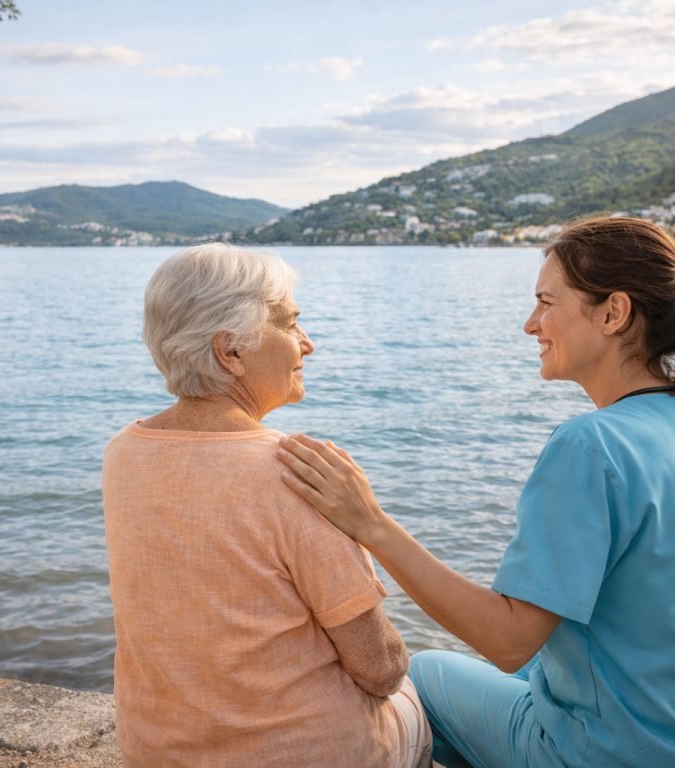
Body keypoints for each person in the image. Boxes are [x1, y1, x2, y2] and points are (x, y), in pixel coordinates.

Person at [277, 216, 675, 767]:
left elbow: (509, 641)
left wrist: (370, 522)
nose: (530, 324)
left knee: (427, 674)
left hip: (602, 753)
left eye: (546, 302)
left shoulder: (592, 446)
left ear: (613, 312)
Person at [102, 243, 433, 768]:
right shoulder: (295, 472)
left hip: (157, 752)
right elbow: (379, 668)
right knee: (424, 692)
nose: (308, 343)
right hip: (306, 755)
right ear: (229, 351)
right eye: (290, 324)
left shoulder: (123, 452)